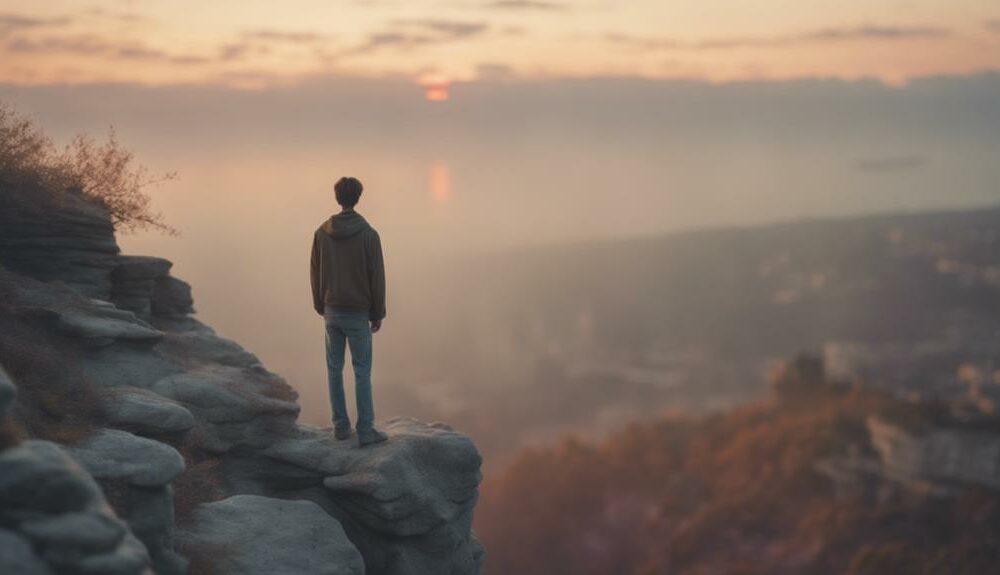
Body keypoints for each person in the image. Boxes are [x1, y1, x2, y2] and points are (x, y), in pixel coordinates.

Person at [310, 176, 388, 446]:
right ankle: (365, 430)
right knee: (361, 371)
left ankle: (340, 427)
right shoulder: (369, 234)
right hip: (358, 312)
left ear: (337, 197)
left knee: (334, 369)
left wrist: (321, 305)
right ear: (358, 197)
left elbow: (315, 273)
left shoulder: (321, 232)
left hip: (331, 310)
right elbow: (376, 275)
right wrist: (377, 312)